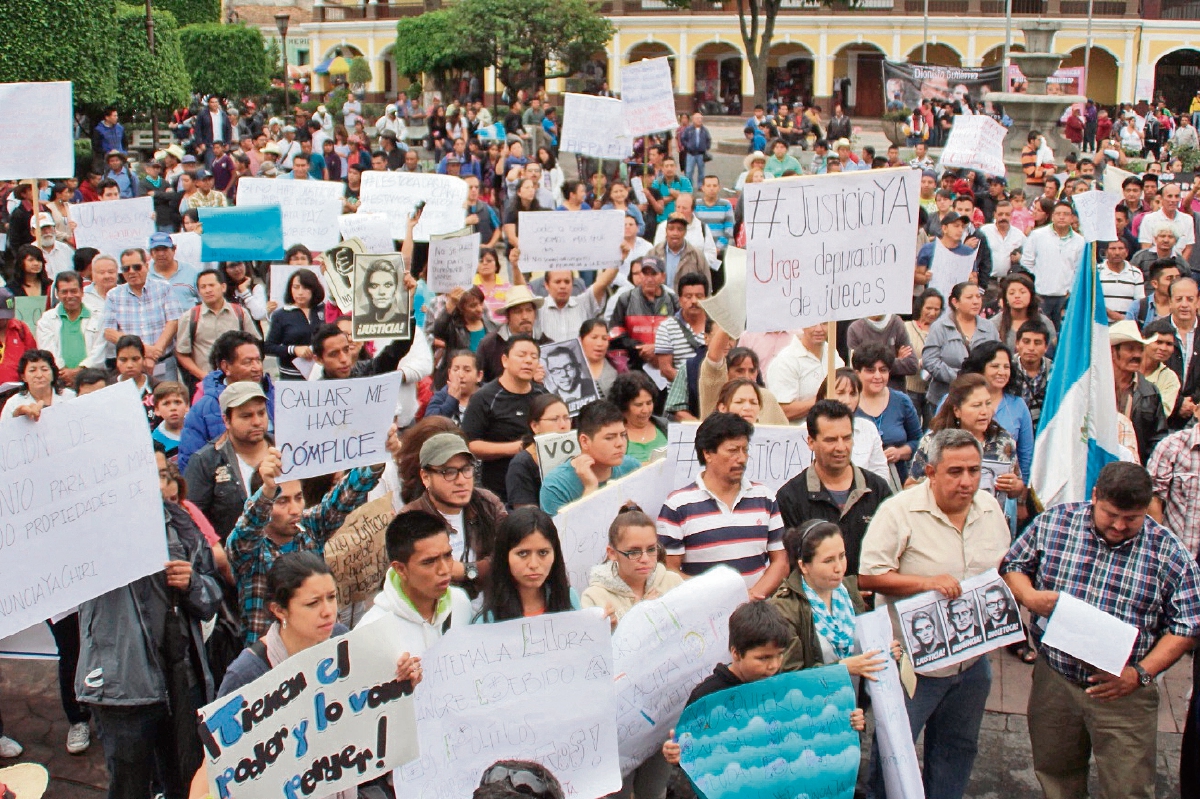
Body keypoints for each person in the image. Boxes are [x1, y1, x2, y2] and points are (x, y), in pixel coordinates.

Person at [1002, 461, 1200, 799]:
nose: (1120, 526)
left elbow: (1187, 626)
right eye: (1110, 514)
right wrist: (1030, 596)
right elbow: (1014, 565)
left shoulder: (1171, 554)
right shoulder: (1056, 521)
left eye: (1132, 519)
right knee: (1055, 774)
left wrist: (1140, 675)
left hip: (1125, 692)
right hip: (1056, 680)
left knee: (1128, 788)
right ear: (1095, 496)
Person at [859, 428, 1012, 799]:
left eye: (974, 471)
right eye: (955, 472)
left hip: (972, 662)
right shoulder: (898, 511)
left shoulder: (990, 508)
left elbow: (1003, 566)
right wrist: (925, 583)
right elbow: (868, 576)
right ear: (930, 472)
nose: (966, 481)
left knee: (958, 749)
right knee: (895, 756)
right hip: (914, 665)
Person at [76, 488, 221, 799]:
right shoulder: (85, 529)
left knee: (187, 782)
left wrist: (192, 582)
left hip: (183, 682)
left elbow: (212, 595)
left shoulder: (178, 520)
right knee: (129, 787)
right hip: (121, 690)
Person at [227, 434, 390, 643]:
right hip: (274, 660)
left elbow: (344, 497)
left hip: (320, 647)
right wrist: (268, 489)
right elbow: (247, 528)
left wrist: (375, 459)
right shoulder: (249, 550)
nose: (294, 509)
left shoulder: (310, 527)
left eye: (298, 497)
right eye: (282, 501)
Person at [661, 602, 866, 767]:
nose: (774, 666)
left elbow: (812, 730)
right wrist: (676, 753)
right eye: (763, 658)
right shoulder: (707, 697)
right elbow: (689, 752)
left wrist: (848, 723)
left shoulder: (786, 689)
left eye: (780, 655)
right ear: (736, 653)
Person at [581, 505, 683, 799]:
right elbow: (595, 662)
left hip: (664, 710)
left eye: (652, 550)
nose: (645, 559)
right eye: (634, 552)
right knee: (617, 791)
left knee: (655, 791)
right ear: (612, 553)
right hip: (620, 719)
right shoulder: (595, 596)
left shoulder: (671, 582)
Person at [658, 412, 787, 598]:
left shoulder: (765, 497)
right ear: (708, 453)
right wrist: (719, 598)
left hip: (756, 614)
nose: (741, 458)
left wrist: (752, 596)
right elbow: (668, 572)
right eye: (733, 451)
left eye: (745, 450)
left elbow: (780, 561)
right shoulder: (678, 505)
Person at [775, 398, 892, 588]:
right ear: (811, 442)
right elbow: (792, 566)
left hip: (873, 603)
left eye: (846, 438)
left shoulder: (877, 489)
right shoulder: (790, 497)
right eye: (831, 440)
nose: (841, 447)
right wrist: (844, 594)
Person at [770, 520, 903, 674]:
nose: (839, 568)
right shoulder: (784, 609)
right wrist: (841, 670)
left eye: (842, 556)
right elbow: (789, 675)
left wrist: (886, 650)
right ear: (803, 566)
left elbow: (865, 649)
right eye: (828, 561)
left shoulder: (849, 592)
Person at [401, 431, 506, 597]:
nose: (461, 480)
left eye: (466, 469)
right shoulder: (410, 520)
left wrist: (468, 570)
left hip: (490, 607)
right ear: (426, 477)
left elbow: (509, 553)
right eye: (448, 472)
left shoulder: (488, 504)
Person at [183, 381, 272, 543]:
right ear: (226, 420)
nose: (257, 421)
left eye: (261, 413)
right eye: (246, 416)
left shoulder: (284, 450)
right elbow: (191, 522)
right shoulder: (205, 461)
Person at [462, 335, 547, 502]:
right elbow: (469, 444)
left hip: (540, 486)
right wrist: (514, 448)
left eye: (534, 356)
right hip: (499, 489)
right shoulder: (484, 398)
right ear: (505, 360)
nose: (528, 361)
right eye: (521, 355)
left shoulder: (543, 395)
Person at [177, 331, 273, 472]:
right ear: (226, 366)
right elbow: (191, 466)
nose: (257, 368)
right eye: (248, 362)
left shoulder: (276, 397)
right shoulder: (204, 409)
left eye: (258, 360)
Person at [474, 507, 579, 621]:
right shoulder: (486, 616)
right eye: (522, 553)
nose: (533, 564)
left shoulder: (569, 599)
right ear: (504, 556)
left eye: (543, 552)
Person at [540, 400, 642, 516]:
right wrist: (590, 488)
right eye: (609, 438)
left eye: (623, 435)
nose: (620, 443)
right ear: (584, 441)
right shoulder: (556, 485)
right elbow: (565, 533)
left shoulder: (632, 468)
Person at [104, 248, 188, 381]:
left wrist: (155, 353)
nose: (132, 272)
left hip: (163, 362)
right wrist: (145, 350)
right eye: (126, 268)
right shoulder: (113, 295)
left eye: (137, 267)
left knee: (166, 398)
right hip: (130, 366)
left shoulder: (163, 288)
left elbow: (174, 321)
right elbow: (109, 332)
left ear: (147, 266)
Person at [959, 341, 1035, 481]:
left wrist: (1021, 489)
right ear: (980, 368)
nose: (1002, 372)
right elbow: (935, 439)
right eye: (995, 366)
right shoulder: (955, 399)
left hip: (1004, 495)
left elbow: (1026, 455)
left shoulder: (1018, 405)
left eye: (1006, 367)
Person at [174, 270, 259, 392]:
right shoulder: (190, 317)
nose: (208, 290)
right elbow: (182, 353)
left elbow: (254, 345)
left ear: (223, 287)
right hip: (206, 383)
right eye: (203, 287)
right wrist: (202, 375)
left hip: (238, 382)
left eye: (211, 285)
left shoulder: (240, 313)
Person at [852, 344, 923, 483]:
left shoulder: (902, 401)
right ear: (857, 373)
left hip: (898, 480)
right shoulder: (849, 403)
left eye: (883, 370)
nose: (877, 376)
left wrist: (900, 452)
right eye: (870, 371)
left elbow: (918, 440)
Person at [922, 282, 1000, 409]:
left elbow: (998, 356)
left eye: (978, 297)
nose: (975, 301)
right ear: (955, 302)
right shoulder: (940, 327)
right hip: (944, 397)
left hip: (981, 397)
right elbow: (930, 360)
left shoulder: (989, 327)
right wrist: (959, 377)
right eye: (969, 297)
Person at [1020, 201, 1085, 329]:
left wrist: (1070, 291)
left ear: (1072, 218)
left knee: (1062, 332)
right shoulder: (1037, 235)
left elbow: (1079, 269)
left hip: (1065, 297)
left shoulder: (1080, 241)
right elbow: (1026, 262)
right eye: (1058, 214)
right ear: (1052, 216)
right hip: (1040, 295)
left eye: (1066, 214)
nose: (1061, 217)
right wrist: (1037, 281)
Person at [1110, 320, 1167, 464]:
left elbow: (1157, 440)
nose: (1137, 355)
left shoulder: (1150, 392)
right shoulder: (1094, 388)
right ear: (1112, 351)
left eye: (1140, 349)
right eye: (1130, 349)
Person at [36, 271, 105, 387]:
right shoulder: (46, 319)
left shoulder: (98, 316)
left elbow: (100, 349)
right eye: (64, 292)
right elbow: (47, 350)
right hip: (60, 380)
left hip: (94, 379)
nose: (69, 296)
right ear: (57, 294)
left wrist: (79, 371)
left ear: (82, 292)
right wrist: (65, 373)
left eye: (74, 291)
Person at [767, 323, 845, 423]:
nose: (819, 329)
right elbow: (782, 411)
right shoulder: (785, 361)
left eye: (824, 324)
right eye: (812, 324)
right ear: (803, 324)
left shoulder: (831, 351)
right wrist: (823, 399)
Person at [506, 394, 572, 509]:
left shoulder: (580, 452)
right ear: (535, 426)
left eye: (566, 418)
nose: (563, 425)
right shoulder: (521, 464)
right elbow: (527, 516)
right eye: (554, 419)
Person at [474, 286, 550, 383]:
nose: (525, 316)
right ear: (507, 316)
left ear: (535, 313)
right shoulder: (489, 345)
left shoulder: (547, 344)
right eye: (518, 312)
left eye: (529, 310)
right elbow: (479, 382)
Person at [264, 268, 324, 380]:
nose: (300, 292)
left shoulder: (323, 310)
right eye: (296, 287)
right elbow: (269, 347)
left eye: (305, 288)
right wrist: (294, 349)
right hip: (291, 376)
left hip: (321, 374)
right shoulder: (281, 314)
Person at [0, 349, 75, 420]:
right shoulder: (13, 404)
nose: (39, 375)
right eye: (32, 370)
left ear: (53, 374)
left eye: (44, 369)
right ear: (23, 377)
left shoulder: (70, 397)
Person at [907, 290, 943, 423]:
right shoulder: (906, 328)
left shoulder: (943, 331)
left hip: (934, 391)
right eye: (928, 308)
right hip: (910, 389)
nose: (932, 313)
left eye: (936, 309)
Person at [426, 350, 483, 424]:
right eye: (456, 370)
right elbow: (430, 423)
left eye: (467, 370)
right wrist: (451, 399)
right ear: (449, 373)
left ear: (479, 376)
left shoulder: (489, 396)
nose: (461, 375)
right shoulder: (441, 396)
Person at [1140, 317, 1182, 418]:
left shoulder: (1170, 379)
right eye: (1158, 342)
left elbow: (1161, 415)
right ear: (1145, 340)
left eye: (1169, 344)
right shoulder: (1128, 365)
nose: (1163, 348)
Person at [1098, 239, 1145, 322]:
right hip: (1100, 323)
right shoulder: (1096, 271)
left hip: (1126, 324)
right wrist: (1110, 313)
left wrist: (1126, 319)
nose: (1117, 253)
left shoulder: (1136, 273)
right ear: (1105, 252)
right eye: (1113, 249)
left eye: (1120, 248)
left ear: (1126, 252)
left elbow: (1139, 302)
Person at [1126, 259, 1181, 327]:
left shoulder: (1184, 306)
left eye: (1178, 278)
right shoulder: (1138, 307)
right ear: (1155, 284)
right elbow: (1128, 333)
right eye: (1169, 278)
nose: (1175, 282)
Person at [579, 319, 617, 400]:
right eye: (594, 337)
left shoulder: (618, 368)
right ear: (580, 340)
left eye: (604, 338)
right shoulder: (568, 369)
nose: (600, 343)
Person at [150, 381, 188, 459]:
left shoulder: (199, 427)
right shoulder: (155, 441)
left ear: (187, 406)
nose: (173, 408)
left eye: (177, 402)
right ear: (157, 410)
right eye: (166, 403)